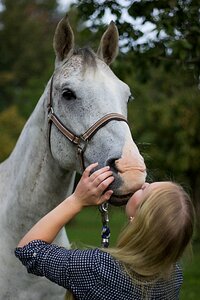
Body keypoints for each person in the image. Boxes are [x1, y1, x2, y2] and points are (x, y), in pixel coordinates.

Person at [15, 162, 195, 300]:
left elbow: (29, 249)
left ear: (138, 221)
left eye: (144, 191)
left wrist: (77, 200)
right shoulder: (173, 276)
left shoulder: (97, 268)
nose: (144, 183)